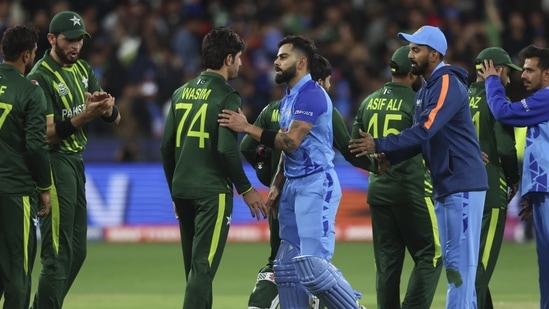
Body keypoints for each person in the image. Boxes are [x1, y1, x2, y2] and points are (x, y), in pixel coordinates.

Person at [219, 35, 365, 309]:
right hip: (293, 186)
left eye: (283, 57)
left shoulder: (311, 94)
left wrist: (247, 127)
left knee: (313, 267)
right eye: (277, 56)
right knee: (285, 267)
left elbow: (290, 141)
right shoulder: (290, 97)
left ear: (302, 62)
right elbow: (289, 152)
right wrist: (276, 185)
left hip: (315, 185)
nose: (276, 61)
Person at [349, 25, 488, 308]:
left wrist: (380, 144)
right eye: (410, 49)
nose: (410, 54)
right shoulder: (427, 89)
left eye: (416, 49)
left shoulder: (446, 82)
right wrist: (391, 158)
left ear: (434, 54)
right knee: (453, 264)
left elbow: (425, 129)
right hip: (447, 184)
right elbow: (421, 140)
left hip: (462, 183)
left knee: (459, 265)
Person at [160, 26, 268, 309]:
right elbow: (224, 148)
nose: (242, 64)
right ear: (229, 58)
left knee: (196, 272)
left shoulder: (180, 93)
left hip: (182, 189)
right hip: (211, 193)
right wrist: (246, 189)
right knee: (203, 269)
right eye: (240, 58)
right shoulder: (228, 95)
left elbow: (166, 147)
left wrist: (174, 190)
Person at [27, 11, 120, 309]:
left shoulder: (82, 70)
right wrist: (85, 116)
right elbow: (45, 135)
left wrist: (106, 109)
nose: (76, 46)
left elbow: (113, 117)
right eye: (70, 40)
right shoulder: (40, 77)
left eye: (80, 39)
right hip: (53, 165)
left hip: (75, 163)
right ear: (52, 39)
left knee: (77, 251)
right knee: (57, 253)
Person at [352, 45, 442, 309]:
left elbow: (354, 145)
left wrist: (374, 163)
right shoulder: (418, 101)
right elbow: (426, 139)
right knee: (432, 255)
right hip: (411, 187)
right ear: (413, 73)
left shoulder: (369, 101)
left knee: (387, 264)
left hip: (378, 191)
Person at [478, 44, 549, 309]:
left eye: (530, 70)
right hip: (543, 193)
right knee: (546, 265)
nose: (524, 75)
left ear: (547, 74)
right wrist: (532, 194)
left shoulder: (547, 98)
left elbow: (504, 112)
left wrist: (493, 81)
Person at [0, 24, 52, 309]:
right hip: (15, 191)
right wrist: (44, 187)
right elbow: (36, 144)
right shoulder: (30, 92)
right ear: (27, 56)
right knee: (18, 270)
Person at [469, 47, 521, 308]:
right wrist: (514, 178)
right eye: (508, 72)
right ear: (497, 69)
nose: (510, 79)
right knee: (481, 268)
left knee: (471, 262)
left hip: (460, 192)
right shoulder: (497, 101)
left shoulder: (458, 98)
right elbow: (505, 148)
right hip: (490, 191)